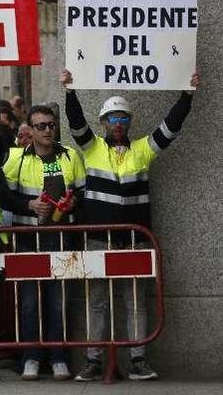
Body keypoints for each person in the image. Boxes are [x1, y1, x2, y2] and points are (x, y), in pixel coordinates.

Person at [61, 69, 200, 382]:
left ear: (130, 123)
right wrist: (69, 90)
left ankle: (138, 360)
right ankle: (93, 360)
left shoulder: (143, 149)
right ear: (104, 123)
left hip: (134, 241)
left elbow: (169, 129)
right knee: (97, 301)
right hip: (98, 240)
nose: (119, 124)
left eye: (123, 118)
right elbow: (76, 124)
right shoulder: (92, 147)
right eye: (113, 118)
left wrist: (186, 96)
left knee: (135, 301)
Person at [3, 104, 86, 381]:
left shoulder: (71, 156)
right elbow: (4, 198)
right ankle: (31, 356)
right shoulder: (18, 160)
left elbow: (84, 193)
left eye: (51, 125)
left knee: (58, 299)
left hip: (61, 235)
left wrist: (74, 202)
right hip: (28, 237)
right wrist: (29, 205)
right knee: (29, 301)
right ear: (30, 130)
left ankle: (59, 356)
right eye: (41, 126)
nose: (48, 130)